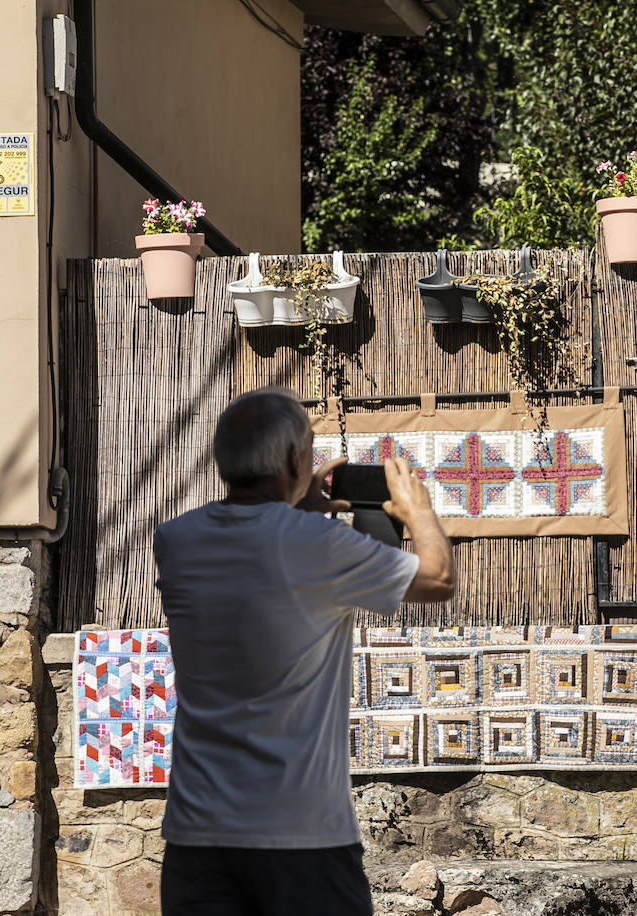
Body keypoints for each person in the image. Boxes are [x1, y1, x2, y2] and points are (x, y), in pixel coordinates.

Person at [154, 387, 454, 915]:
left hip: (198, 835)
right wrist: (418, 512)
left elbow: (257, 546)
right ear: (296, 460)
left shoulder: (177, 540)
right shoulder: (317, 546)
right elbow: (438, 578)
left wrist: (294, 500)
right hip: (301, 836)